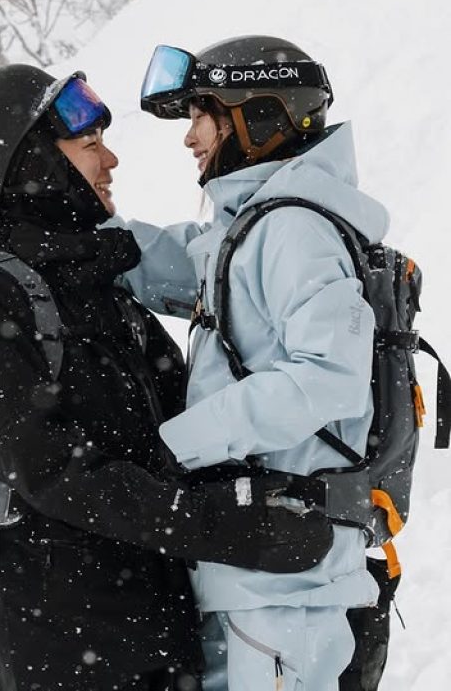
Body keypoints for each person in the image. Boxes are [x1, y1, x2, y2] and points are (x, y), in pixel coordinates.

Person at [0, 63, 334, 691]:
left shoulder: (98, 289)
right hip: (66, 645)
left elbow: (172, 435)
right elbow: (50, 471)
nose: (110, 160)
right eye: (89, 145)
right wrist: (222, 525)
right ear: (34, 166)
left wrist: (279, 509)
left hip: (156, 628)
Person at [130, 35, 386, 690]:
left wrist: (174, 446)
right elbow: (155, 260)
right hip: (260, 565)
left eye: (202, 116)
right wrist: (9, 238)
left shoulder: (292, 230)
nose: (190, 137)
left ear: (260, 117)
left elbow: (327, 375)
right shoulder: (249, 230)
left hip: (286, 583)